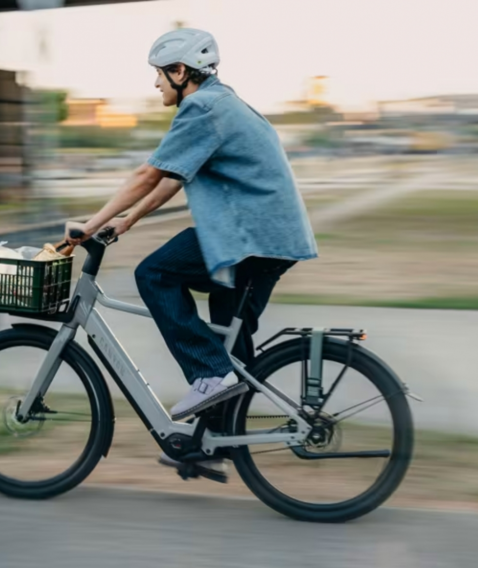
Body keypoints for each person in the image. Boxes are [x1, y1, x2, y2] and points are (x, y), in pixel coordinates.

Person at [64, 29, 317, 473]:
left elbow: (147, 174)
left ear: (181, 72)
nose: (156, 84)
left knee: (155, 275)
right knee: (229, 342)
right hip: (273, 238)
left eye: (159, 75)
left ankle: (209, 375)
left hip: (246, 235)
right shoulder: (222, 102)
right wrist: (128, 220)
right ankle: (217, 440)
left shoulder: (202, 107)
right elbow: (172, 179)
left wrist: (93, 222)